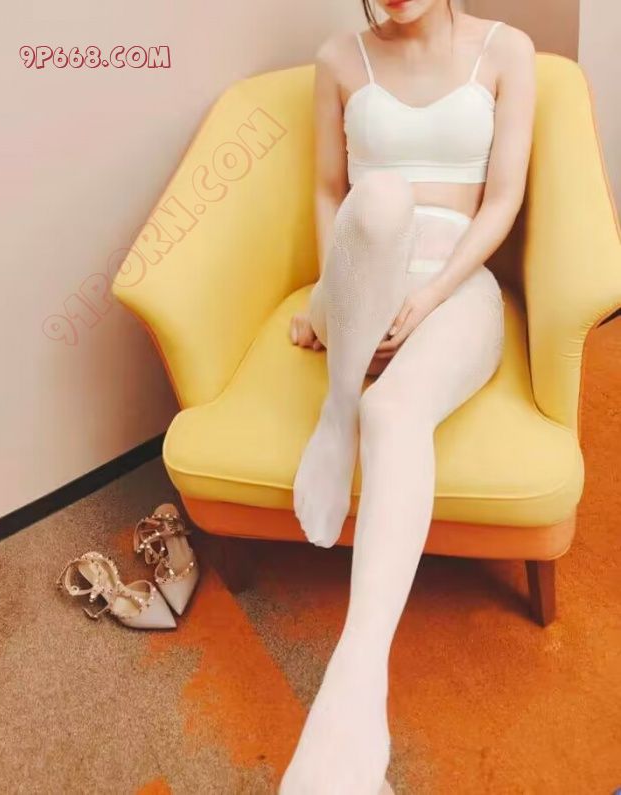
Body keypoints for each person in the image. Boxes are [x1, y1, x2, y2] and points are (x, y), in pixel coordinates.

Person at [281, 2, 536, 793]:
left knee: (394, 412)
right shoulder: (338, 57)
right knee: (381, 198)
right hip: (359, 275)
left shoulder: (509, 51)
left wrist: (427, 299)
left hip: (452, 287)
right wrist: (338, 298)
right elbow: (331, 192)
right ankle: (336, 409)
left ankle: (355, 688)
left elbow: (502, 200)